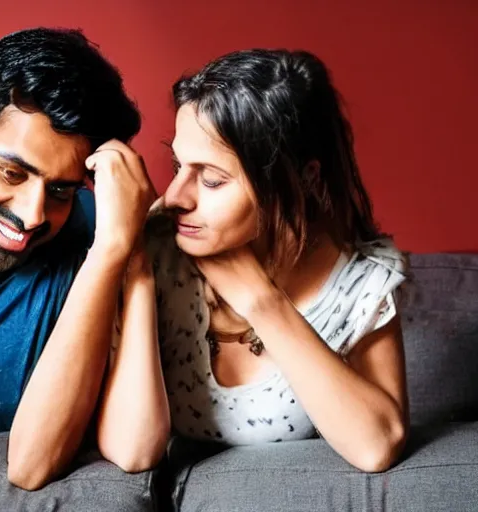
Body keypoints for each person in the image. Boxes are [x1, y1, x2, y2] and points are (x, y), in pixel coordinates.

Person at [100, 49, 409, 474]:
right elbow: (132, 452)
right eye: (177, 165)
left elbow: (376, 447)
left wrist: (261, 300)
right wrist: (136, 265)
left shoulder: (362, 286)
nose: (175, 196)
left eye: (211, 179)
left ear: (304, 180)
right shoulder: (157, 245)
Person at [0, 27, 159, 490]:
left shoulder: (95, 238)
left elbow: (34, 466)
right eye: (12, 171)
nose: (33, 215)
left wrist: (116, 249)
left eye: (60, 190)